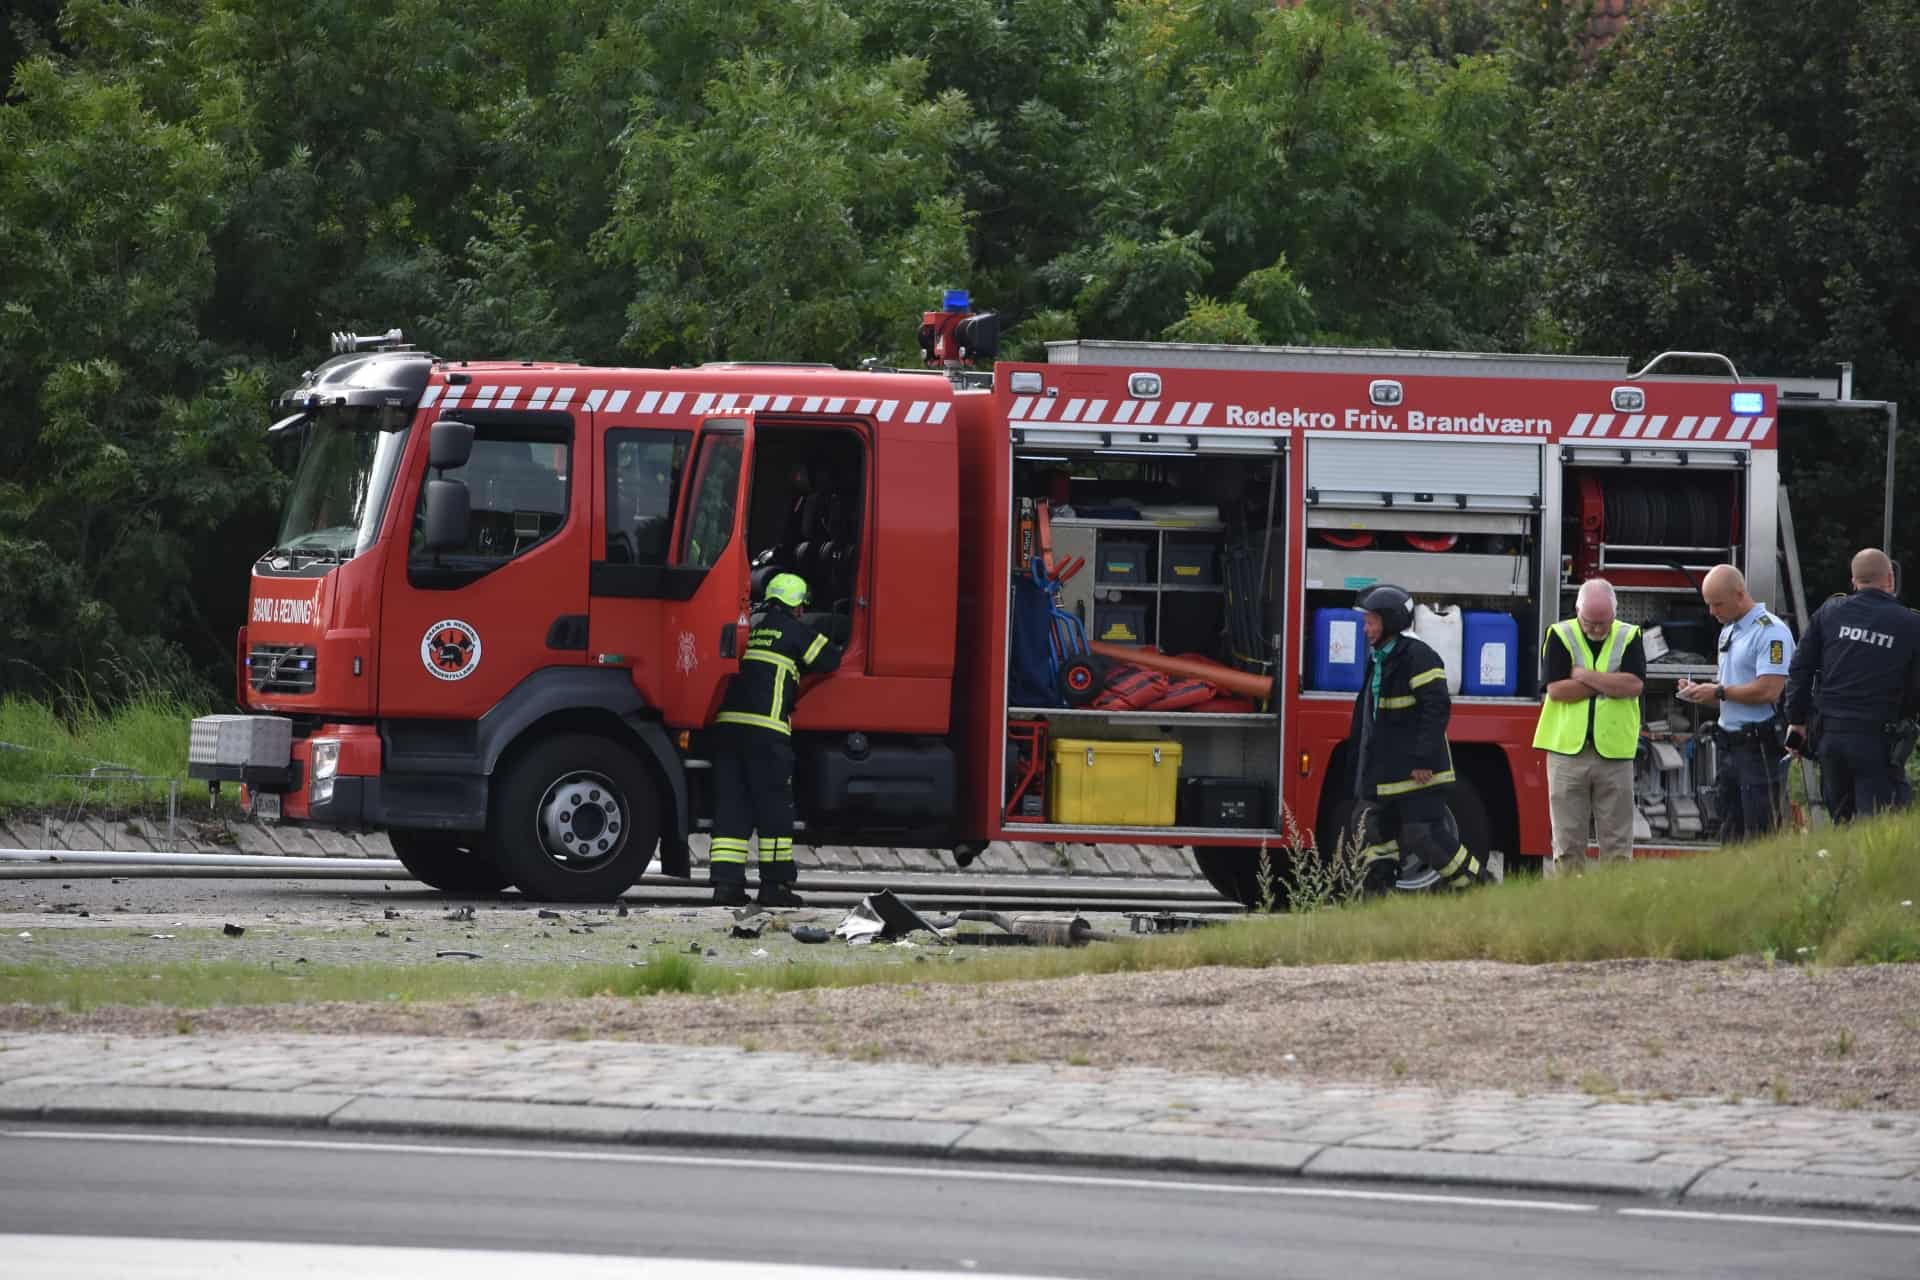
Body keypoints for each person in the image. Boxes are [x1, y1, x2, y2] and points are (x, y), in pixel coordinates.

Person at [707, 573, 844, 907]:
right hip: (766, 735)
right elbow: (830, 659)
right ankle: (775, 886)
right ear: (797, 606)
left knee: (731, 809)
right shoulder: (794, 631)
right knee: (774, 810)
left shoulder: (750, 627)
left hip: (726, 731)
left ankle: (726, 886)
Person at [1346, 584, 1484, 893]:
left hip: (1418, 773)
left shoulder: (1418, 656)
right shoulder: (1381, 658)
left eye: (1371, 622)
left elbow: (1436, 710)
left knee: (1423, 835)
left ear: (1391, 621)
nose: (1366, 629)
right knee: (1372, 830)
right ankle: (1377, 897)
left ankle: (1478, 886)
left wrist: (1424, 760)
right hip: (1385, 772)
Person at [1783, 548, 1920, 823]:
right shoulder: (1911, 624)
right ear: (1890, 578)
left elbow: (1800, 669)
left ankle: (1840, 866)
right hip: (1879, 740)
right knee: (1881, 826)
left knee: (1841, 823)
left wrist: (1796, 721)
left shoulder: (1829, 612)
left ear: (1853, 580)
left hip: (1831, 738)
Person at [1533, 578, 1645, 876]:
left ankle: (1615, 908)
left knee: (1618, 846)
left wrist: (1583, 675)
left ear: (1615, 613)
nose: (1596, 629)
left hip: (1615, 753)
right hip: (1567, 752)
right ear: (1577, 610)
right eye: (1589, 622)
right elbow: (1557, 691)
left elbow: (1633, 685)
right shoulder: (1559, 634)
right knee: (1568, 845)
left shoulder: (1629, 635)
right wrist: (1610, 683)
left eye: (1603, 622)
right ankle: (1572, 912)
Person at [1676, 564, 1794, 842]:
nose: (1712, 612)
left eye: (1717, 604)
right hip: (1730, 746)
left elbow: (1769, 690)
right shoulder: (1729, 632)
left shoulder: (1770, 632)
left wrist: (1718, 692)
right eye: (1708, 604)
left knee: (1760, 832)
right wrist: (1700, 693)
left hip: (1759, 747)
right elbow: (1732, 691)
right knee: (1729, 829)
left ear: (1739, 594)